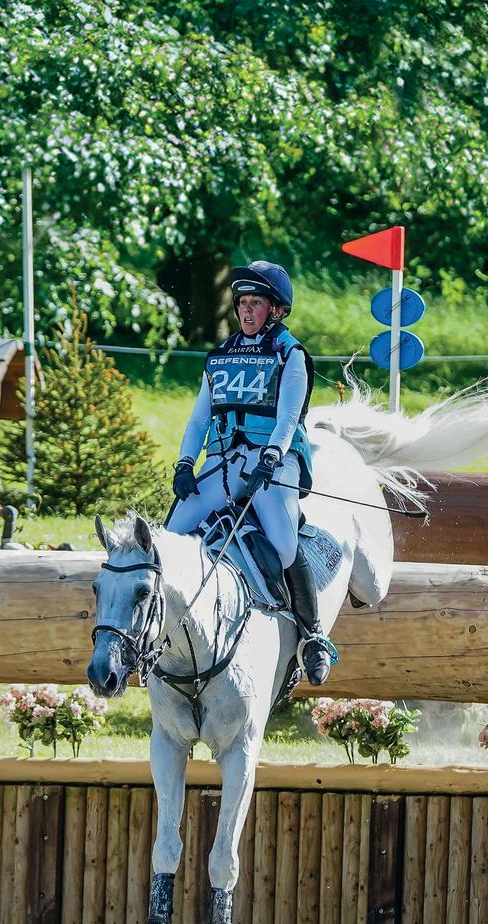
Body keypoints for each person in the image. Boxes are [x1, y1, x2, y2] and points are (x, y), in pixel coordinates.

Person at [167, 260, 336, 686]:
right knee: (171, 533)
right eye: (242, 302)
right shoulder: (220, 357)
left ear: (275, 309)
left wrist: (272, 456)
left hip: (272, 462)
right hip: (225, 462)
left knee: (283, 545)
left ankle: (313, 637)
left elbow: (289, 416)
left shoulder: (290, 353)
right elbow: (198, 418)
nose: (246, 310)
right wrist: (185, 463)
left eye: (255, 303)